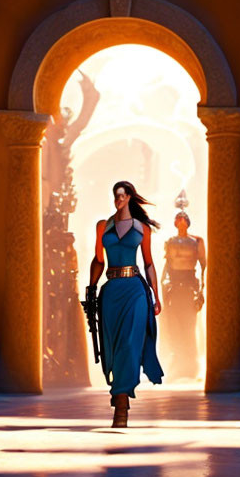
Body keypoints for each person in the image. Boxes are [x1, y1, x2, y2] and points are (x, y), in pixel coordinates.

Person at [87, 181, 164, 427]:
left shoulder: (142, 229)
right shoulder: (103, 226)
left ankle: (121, 404)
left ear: (129, 197)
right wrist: (91, 287)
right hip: (110, 291)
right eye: (115, 197)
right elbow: (99, 260)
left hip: (135, 290)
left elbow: (149, 263)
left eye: (121, 196)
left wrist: (156, 294)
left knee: (130, 343)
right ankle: (120, 394)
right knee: (113, 344)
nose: (117, 201)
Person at [160, 207, 206, 380]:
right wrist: (164, 288)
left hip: (189, 287)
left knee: (189, 325)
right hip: (174, 288)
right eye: (178, 219)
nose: (181, 223)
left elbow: (203, 267)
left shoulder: (196, 242)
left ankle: (191, 365)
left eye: (183, 219)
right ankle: (178, 363)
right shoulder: (170, 242)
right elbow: (167, 267)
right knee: (174, 327)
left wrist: (200, 291)